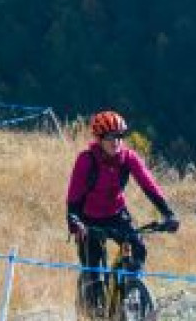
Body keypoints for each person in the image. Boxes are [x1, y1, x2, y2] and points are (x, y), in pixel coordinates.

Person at [66, 111, 179, 298]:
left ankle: (130, 291)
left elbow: (148, 184)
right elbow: (74, 195)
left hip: (117, 214)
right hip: (88, 219)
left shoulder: (128, 158)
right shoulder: (86, 160)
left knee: (138, 248)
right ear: (99, 139)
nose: (115, 141)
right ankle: (93, 311)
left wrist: (168, 213)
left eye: (119, 136)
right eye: (110, 137)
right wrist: (74, 220)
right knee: (93, 274)